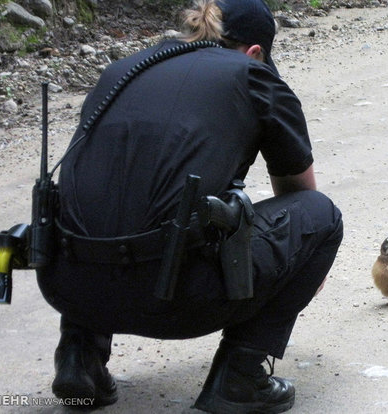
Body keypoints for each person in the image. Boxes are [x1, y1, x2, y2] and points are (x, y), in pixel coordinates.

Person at [35, 0, 343, 413]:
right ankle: (241, 377)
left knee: (110, 200)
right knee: (321, 216)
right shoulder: (253, 75)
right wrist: (300, 266)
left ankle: (79, 360)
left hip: (67, 285)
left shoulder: (120, 71)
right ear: (255, 52)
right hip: (175, 298)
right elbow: (298, 192)